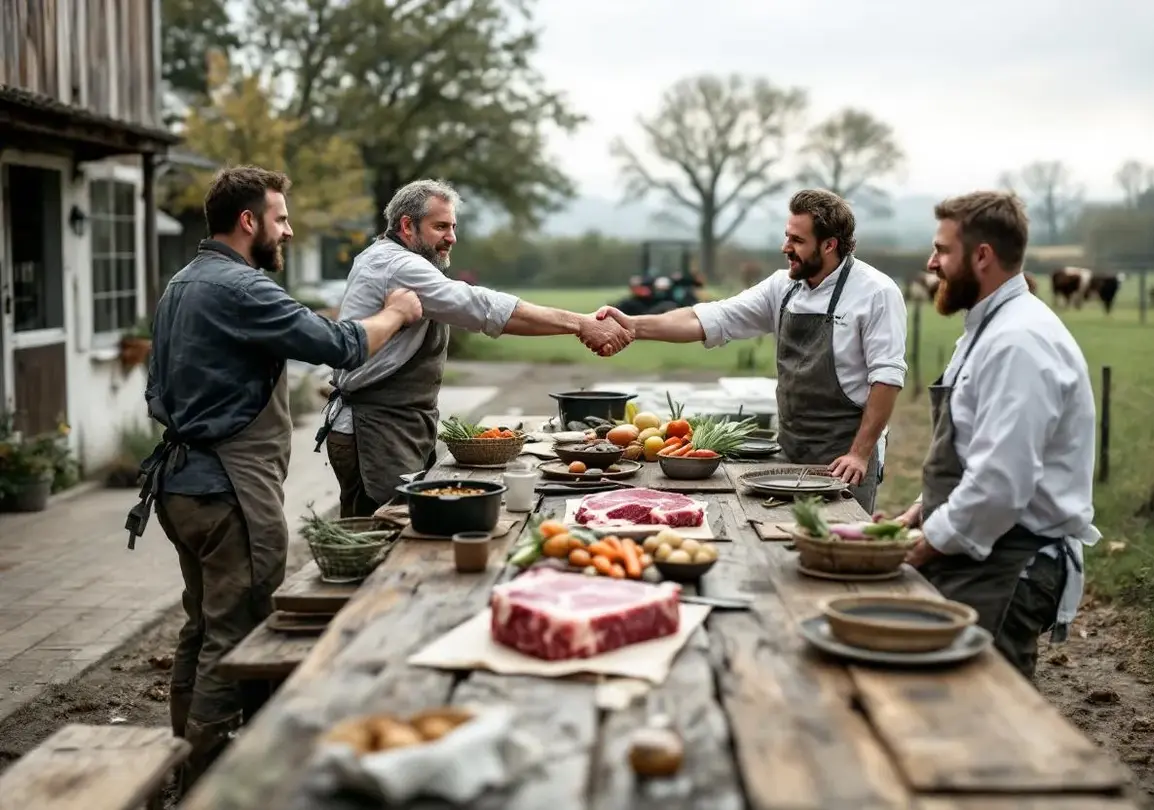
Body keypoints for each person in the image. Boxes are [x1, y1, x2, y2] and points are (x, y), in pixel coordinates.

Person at [126, 165, 421, 790]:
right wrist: (395, 312)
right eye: (281, 219)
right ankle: (211, 784)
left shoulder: (183, 281)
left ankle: (181, 764)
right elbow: (340, 344)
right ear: (249, 221)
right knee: (236, 639)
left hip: (181, 487)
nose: (288, 232)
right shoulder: (243, 288)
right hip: (227, 488)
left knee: (202, 626)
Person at [317, 179, 631, 518]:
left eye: (453, 226)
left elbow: (487, 313)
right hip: (374, 430)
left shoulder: (389, 257)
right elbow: (481, 307)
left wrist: (577, 324)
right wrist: (580, 323)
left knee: (395, 524)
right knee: (386, 529)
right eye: (440, 226)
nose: (451, 237)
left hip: (394, 426)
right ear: (407, 226)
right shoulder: (399, 266)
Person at [594, 189, 908, 514]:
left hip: (846, 457)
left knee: (841, 550)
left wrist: (859, 453)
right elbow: (707, 318)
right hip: (789, 447)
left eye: (797, 241)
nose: (786, 248)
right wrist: (632, 325)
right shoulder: (782, 287)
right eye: (787, 237)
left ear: (829, 245)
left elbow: (886, 379)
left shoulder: (877, 293)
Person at [894, 190, 1100, 680]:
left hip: (1012, 560)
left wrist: (925, 544)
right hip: (982, 542)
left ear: (981, 255)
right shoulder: (987, 329)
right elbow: (976, 448)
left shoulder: (1018, 343)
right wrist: (923, 512)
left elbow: (1001, 483)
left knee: (985, 708)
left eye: (942, 250)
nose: (931, 263)